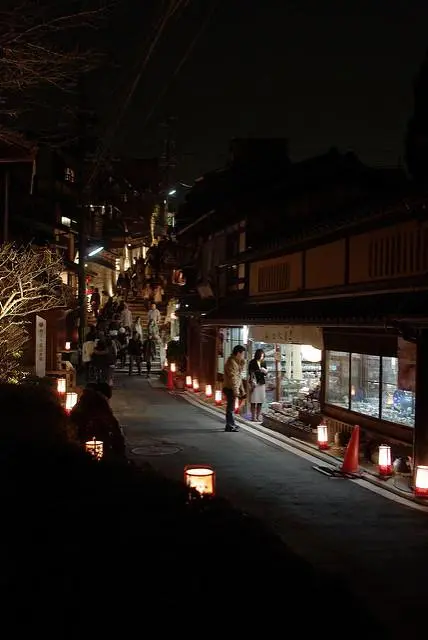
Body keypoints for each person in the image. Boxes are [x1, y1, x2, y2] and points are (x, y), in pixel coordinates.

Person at [223, 345, 246, 432]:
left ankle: (232, 424)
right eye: (243, 354)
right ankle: (229, 425)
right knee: (230, 408)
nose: (243, 356)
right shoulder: (231, 362)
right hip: (230, 388)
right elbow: (233, 378)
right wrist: (236, 390)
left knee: (231, 407)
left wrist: (242, 390)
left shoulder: (236, 362)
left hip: (233, 388)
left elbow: (239, 377)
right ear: (238, 353)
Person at [248, 349, 268, 422]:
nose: (262, 357)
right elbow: (250, 372)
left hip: (261, 383)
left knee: (260, 401)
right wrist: (252, 380)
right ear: (258, 355)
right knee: (253, 401)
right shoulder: (252, 362)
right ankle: (253, 417)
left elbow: (266, 373)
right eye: (261, 355)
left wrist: (264, 371)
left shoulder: (263, 362)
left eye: (263, 356)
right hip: (255, 383)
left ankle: (258, 416)